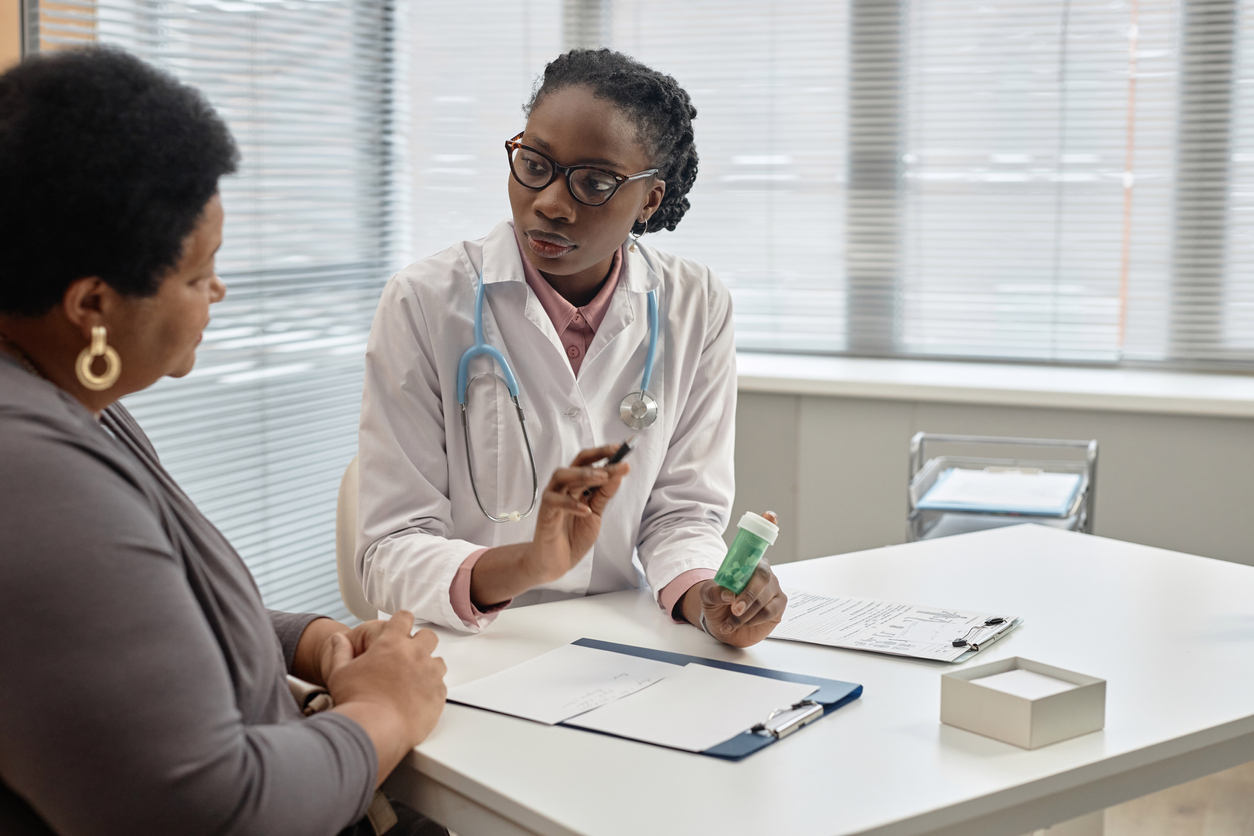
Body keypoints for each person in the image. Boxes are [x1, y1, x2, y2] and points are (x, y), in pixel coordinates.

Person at [0, 48, 447, 835]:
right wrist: (385, 708)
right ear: (93, 305)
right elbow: (218, 813)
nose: (219, 291)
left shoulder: (60, 389)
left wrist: (313, 642)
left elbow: (137, 618)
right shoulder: (27, 473)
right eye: (198, 273)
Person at [358, 49, 787, 647]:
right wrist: (531, 563)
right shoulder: (424, 301)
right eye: (534, 163)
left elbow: (683, 514)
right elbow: (389, 550)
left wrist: (711, 600)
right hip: (462, 650)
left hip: (618, 644)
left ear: (650, 200)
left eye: (594, 182)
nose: (551, 203)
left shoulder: (697, 302)